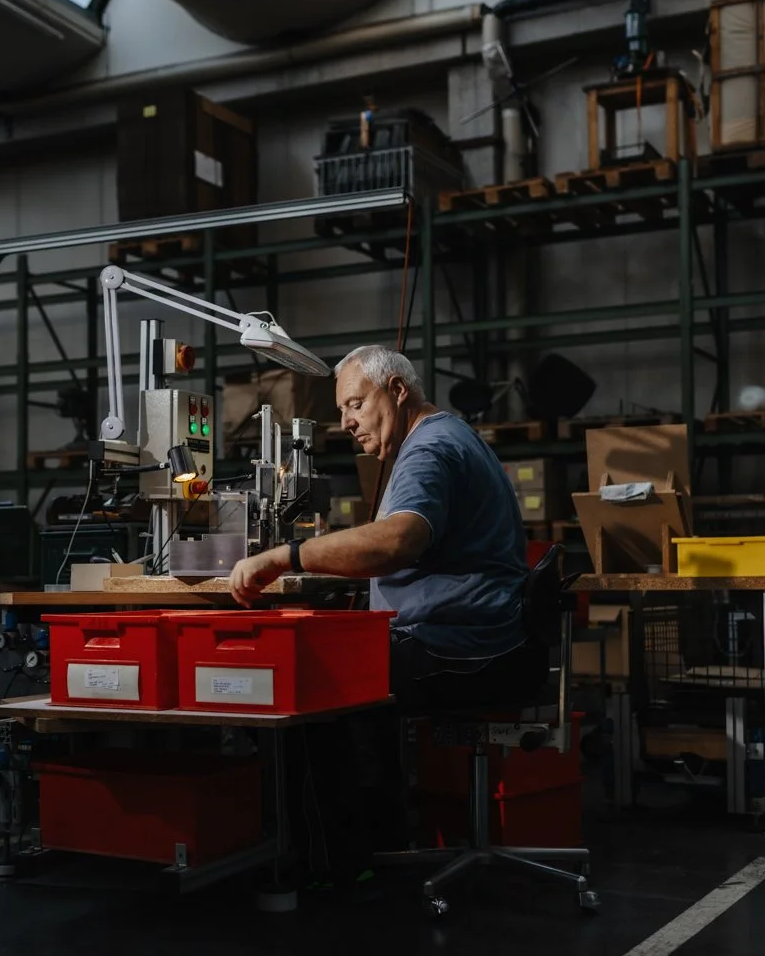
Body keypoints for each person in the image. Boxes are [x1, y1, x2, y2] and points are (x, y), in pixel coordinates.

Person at [228, 345, 535, 889]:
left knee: (312, 679)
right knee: (356, 672)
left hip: (457, 646)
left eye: (354, 404)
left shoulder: (428, 449)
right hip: (481, 638)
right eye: (342, 410)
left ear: (396, 390)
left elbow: (399, 539)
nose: (346, 422)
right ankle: (379, 844)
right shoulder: (450, 435)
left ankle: (330, 868)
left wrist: (284, 556)